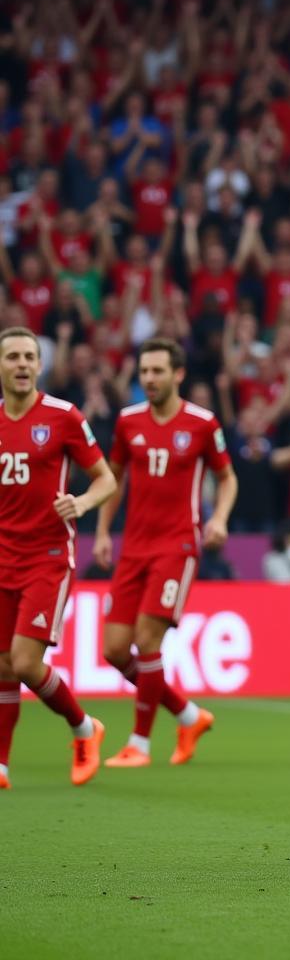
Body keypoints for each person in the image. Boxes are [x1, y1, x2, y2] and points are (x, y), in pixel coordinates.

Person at [94, 338, 238, 768]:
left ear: (177, 375)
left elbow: (227, 479)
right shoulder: (127, 422)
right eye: (144, 372)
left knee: (146, 640)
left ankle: (138, 744)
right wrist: (102, 531)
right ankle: (188, 715)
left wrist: (220, 519)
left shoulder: (202, 424)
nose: (149, 379)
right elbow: (113, 480)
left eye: (157, 371)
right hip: (133, 547)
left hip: (177, 546)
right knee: (115, 651)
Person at [0, 326, 116, 789]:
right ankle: (2, 765)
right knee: (3, 665)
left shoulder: (64, 416)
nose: (23, 364)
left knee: (26, 662)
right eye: (13, 357)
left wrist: (83, 503)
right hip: (2, 556)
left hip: (48, 555)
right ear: (2, 366)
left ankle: (84, 728)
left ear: (40, 365)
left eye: (30, 356)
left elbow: (106, 478)